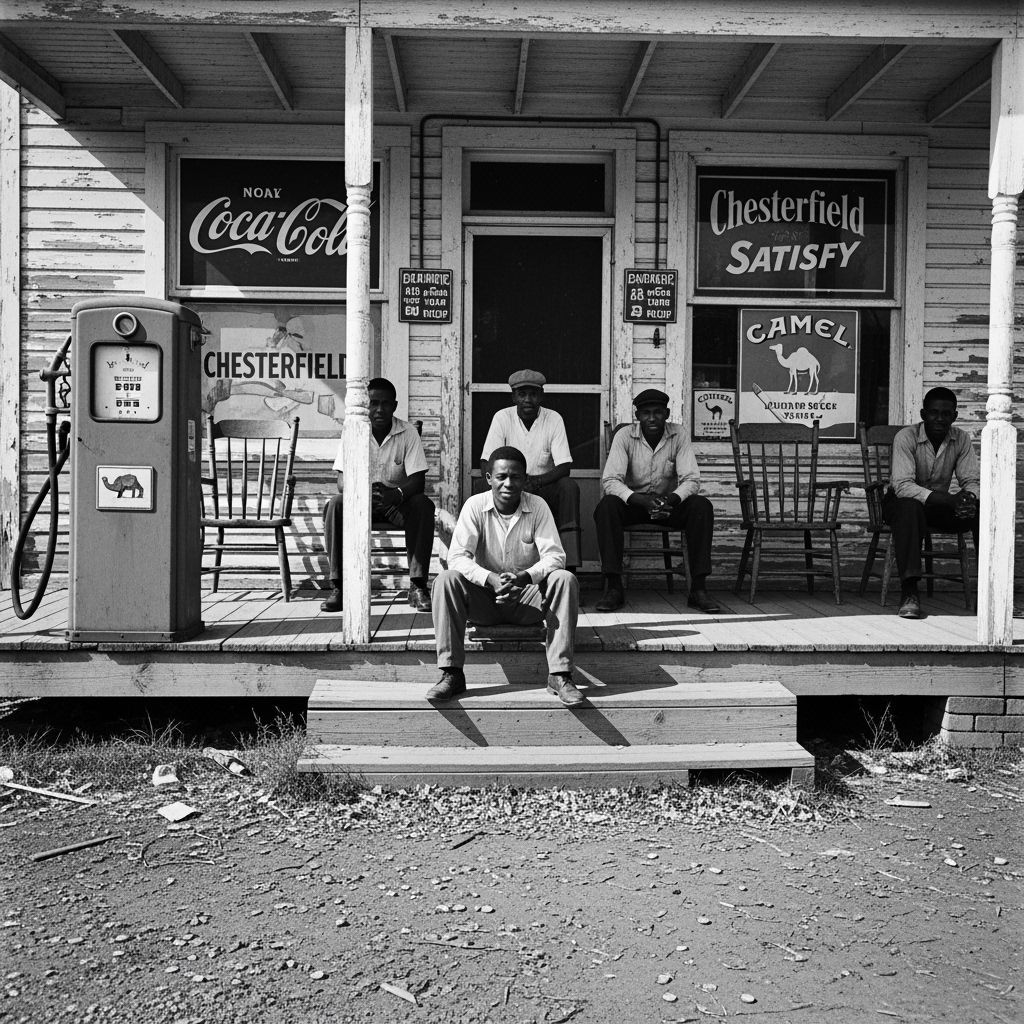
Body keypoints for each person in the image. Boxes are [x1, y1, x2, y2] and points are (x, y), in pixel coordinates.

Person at [428, 445, 583, 706]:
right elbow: (457, 557)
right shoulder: (475, 506)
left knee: (564, 579)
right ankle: (451, 673)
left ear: (525, 479)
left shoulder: (538, 506)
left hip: (526, 601)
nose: (508, 483)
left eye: (515, 477)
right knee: (446, 580)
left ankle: (560, 675)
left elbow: (556, 557)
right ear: (489, 478)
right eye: (501, 477)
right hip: (485, 602)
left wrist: (523, 578)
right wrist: (490, 579)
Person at [593, 389, 718, 614]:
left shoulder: (678, 434)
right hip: (635, 505)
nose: (652, 418)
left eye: (658, 413)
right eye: (646, 413)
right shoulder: (624, 436)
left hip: (669, 505)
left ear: (667, 413)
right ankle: (613, 588)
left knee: (701, 506)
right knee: (607, 506)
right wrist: (640, 500)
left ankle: (698, 589)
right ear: (637, 415)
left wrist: (670, 499)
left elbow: (691, 479)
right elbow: (611, 480)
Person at [321, 377, 435, 613]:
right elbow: (342, 482)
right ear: (365, 405)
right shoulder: (353, 430)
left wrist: (397, 494)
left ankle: (417, 585)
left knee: (423, 505)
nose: (379, 409)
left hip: (396, 505)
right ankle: (340, 587)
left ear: (395, 405)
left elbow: (418, 480)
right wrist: (362, 493)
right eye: (373, 403)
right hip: (362, 505)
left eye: (385, 404)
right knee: (336, 504)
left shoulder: (408, 432)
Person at [883, 386, 980, 619]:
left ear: (954, 416)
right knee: (910, 506)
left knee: (981, 511)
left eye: (946, 414)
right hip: (900, 504)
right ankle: (909, 592)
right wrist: (949, 499)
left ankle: (992, 589)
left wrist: (969, 499)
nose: (939, 418)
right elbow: (903, 486)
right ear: (923, 414)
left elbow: (972, 480)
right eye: (934, 412)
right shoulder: (906, 437)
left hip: (937, 507)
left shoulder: (961, 439)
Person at [479, 369, 581, 570]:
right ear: (514, 396)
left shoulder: (553, 419)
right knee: (480, 486)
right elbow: (486, 463)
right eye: (522, 394)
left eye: (533, 394)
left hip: (543, 486)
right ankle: (484, 568)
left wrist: (536, 482)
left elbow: (564, 466)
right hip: (510, 484)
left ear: (541, 396)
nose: (528, 399)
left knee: (569, 487)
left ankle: (569, 570)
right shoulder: (502, 417)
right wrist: (506, 481)